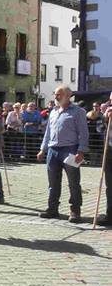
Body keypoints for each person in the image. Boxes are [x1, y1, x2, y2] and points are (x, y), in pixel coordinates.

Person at [37, 86, 89, 222]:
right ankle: (52, 209)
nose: (55, 97)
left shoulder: (78, 112)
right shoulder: (53, 111)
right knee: (53, 182)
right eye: (55, 94)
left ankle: (75, 211)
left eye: (58, 94)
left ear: (67, 95)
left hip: (70, 150)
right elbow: (48, 132)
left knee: (73, 182)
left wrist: (81, 151)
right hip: (53, 151)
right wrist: (43, 149)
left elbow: (83, 133)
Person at [95, 93, 112, 226]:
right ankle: (110, 214)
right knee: (110, 185)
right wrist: (105, 119)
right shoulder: (107, 112)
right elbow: (99, 129)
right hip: (110, 151)